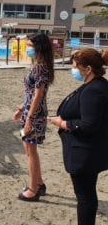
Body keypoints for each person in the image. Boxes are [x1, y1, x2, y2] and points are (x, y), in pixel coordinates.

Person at [48, 48, 108, 224]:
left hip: (85, 153)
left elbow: (89, 125)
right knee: (87, 195)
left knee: (85, 198)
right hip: (89, 151)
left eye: (75, 66)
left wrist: (62, 123)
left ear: (88, 69)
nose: (72, 70)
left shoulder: (93, 90)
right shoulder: (97, 85)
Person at [12, 33, 54, 201]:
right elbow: (30, 94)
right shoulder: (37, 66)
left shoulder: (41, 68)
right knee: (29, 150)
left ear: (39, 48)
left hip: (35, 116)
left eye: (30, 45)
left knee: (31, 152)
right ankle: (39, 184)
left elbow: (38, 95)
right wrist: (22, 108)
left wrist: (29, 118)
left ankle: (33, 190)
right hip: (30, 112)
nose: (27, 48)